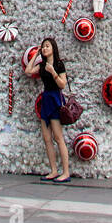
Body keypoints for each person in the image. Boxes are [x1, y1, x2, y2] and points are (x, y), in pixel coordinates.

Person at [25, 37, 71, 183]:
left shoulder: (58, 64)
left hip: (55, 99)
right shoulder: (42, 65)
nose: (45, 49)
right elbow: (28, 71)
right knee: (47, 138)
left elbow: (62, 84)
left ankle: (66, 172)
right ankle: (53, 170)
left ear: (53, 49)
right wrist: (36, 54)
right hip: (45, 100)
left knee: (58, 138)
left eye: (47, 46)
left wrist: (53, 72)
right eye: (43, 46)